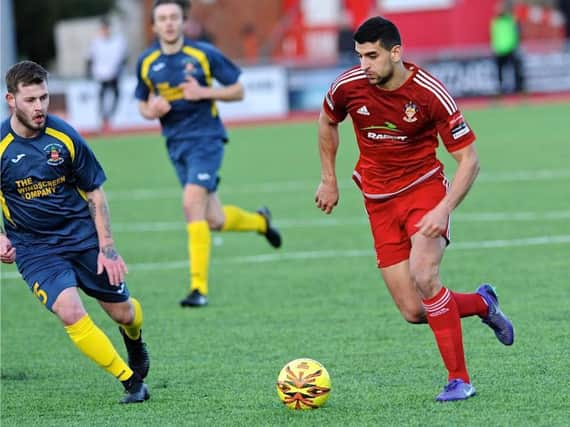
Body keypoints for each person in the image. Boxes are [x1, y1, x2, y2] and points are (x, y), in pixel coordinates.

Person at [315, 17, 515, 401]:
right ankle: (482, 304)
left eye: (372, 56)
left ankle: (459, 380)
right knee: (413, 310)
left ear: (396, 52)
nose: (364, 65)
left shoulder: (429, 92)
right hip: (377, 202)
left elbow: (469, 160)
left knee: (425, 276)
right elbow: (327, 120)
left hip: (424, 193)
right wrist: (329, 178)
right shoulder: (348, 86)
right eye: (359, 56)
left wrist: (443, 209)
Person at [0, 60, 150, 404]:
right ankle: (131, 382)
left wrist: (107, 246)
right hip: (35, 247)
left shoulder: (64, 136)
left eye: (44, 98)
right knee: (70, 310)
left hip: (82, 238)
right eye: (30, 100)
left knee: (123, 312)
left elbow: (95, 191)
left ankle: (135, 339)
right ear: (11, 100)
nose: (39, 107)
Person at [134, 0, 282, 308]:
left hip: (206, 139)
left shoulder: (203, 54)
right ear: (154, 25)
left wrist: (205, 92)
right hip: (175, 144)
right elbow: (143, 104)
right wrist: (152, 110)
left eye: (174, 17)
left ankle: (197, 289)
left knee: (191, 204)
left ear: (183, 20)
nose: (169, 23)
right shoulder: (147, 62)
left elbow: (238, 89)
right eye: (162, 18)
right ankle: (260, 222)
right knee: (213, 218)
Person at [86, 17, 127, 129]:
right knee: (102, 97)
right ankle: (102, 119)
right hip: (101, 75)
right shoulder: (95, 42)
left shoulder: (118, 41)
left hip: (114, 74)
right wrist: (89, 73)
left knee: (116, 96)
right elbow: (90, 59)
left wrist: (118, 71)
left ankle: (111, 117)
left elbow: (122, 58)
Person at [490, 1, 524, 94]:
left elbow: (518, 32)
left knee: (516, 69)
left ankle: (519, 88)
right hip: (500, 50)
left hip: (511, 49)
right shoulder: (496, 21)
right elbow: (494, 35)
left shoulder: (512, 19)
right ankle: (501, 89)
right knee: (500, 72)